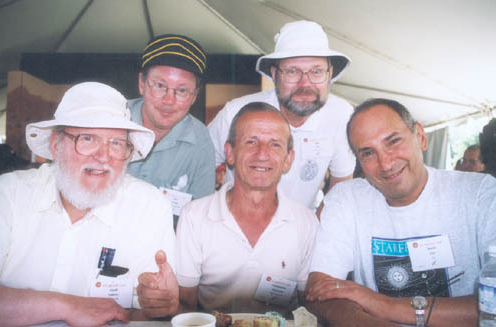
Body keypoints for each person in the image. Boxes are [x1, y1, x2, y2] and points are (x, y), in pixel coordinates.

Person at [0, 82, 178, 326]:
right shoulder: (7, 195)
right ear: (55, 145)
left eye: (115, 143)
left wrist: (159, 305)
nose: (103, 156)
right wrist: (66, 306)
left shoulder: (149, 208)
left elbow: (148, 315)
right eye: (88, 138)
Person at [306, 98, 496, 327]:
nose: (385, 163)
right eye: (368, 153)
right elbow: (321, 288)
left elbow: (491, 308)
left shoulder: (481, 194)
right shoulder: (346, 198)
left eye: (393, 141)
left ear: (420, 136)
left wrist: (384, 305)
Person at [176, 102, 318, 315]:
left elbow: (308, 306)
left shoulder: (307, 223)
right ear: (230, 152)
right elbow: (185, 307)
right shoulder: (194, 217)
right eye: (251, 142)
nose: (262, 154)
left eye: (275, 145)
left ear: (288, 159)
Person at [208, 21, 355, 209]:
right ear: (274, 74)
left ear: (330, 73)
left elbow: (341, 186)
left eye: (316, 71)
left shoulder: (341, 115)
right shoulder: (235, 113)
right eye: (292, 71)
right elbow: (199, 167)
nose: (305, 84)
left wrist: (315, 228)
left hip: (302, 231)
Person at [127, 34, 216, 216]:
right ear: (142, 84)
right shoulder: (111, 118)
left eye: (182, 90)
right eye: (160, 85)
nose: (169, 100)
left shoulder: (200, 141)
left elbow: (199, 216)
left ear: (194, 96)